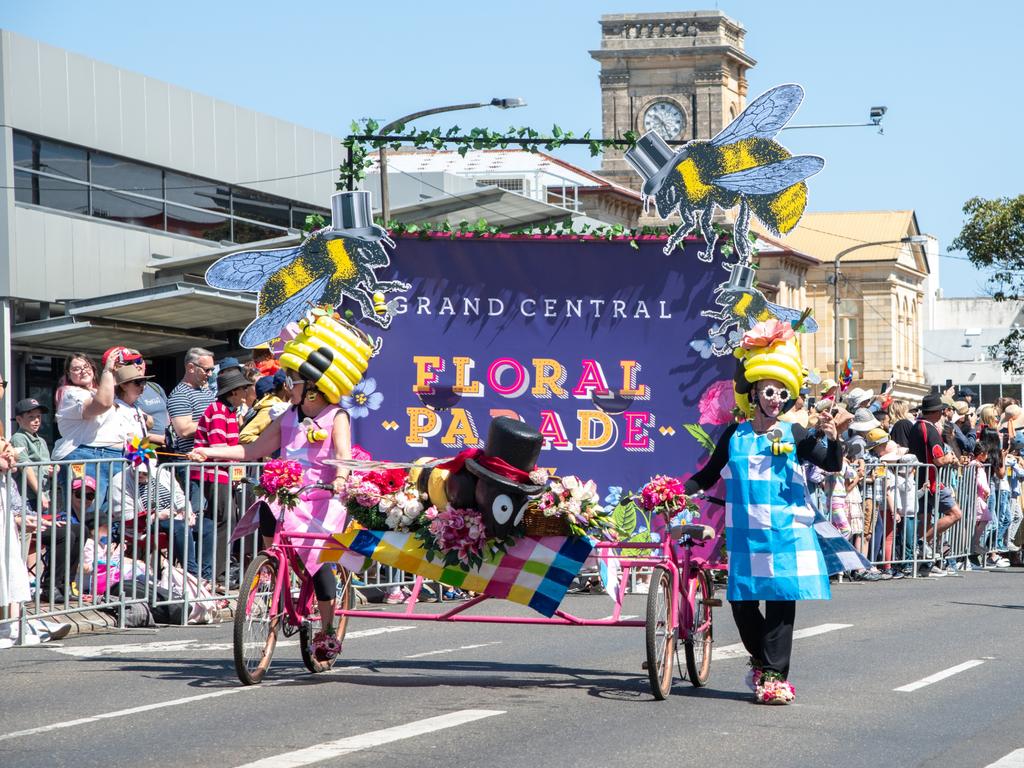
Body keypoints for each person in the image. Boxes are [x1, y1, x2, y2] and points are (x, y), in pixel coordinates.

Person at [683, 319, 851, 705]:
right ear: (754, 391)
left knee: (779, 601)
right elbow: (708, 474)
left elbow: (832, 464)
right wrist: (677, 492)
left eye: (781, 393)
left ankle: (773, 674)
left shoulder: (794, 434)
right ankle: (763, 662)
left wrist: (832, 435)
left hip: (787, 532)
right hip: (746, 535)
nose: (775, 399)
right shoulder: (735, 435)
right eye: (768, 392)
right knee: (741, 602)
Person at [190, 312, 362, 662]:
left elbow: (343, 454)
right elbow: (251, 450)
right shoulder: (287, 415)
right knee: (267, 513)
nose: (288, 384)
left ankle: (327, 631)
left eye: (293, 380)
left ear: (312, 385)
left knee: (319, 563)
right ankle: (273, 571)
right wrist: (208, 451)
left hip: (322, 499)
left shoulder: (336, 415)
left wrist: (340, 481)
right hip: (286, 495)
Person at [191, 366, 250, 585]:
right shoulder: (218, 411)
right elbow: (218, 449)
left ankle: (219, 570)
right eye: (243, 389)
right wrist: (236, 466)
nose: (246, 393)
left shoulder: (229, 412)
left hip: (221, 474)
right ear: (233, 392)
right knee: (223, 522)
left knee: (227, 521)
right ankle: (216, 573)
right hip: (213, 474)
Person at [52, 352, 122, 513]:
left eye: (86, 366)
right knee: (88, 516)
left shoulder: (98, 390)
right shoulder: (70, 393)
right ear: (69, 374)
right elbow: (103, 403)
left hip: (115, 457)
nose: (82, 371)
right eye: (76, 369)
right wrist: (108, 371)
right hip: (86, 456)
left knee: (112, 516)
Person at [906, 393, 964, 571]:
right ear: (935, 412)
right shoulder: (930, 429)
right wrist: (952, 458)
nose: (942, 413)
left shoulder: (917, 426)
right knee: (955, 514)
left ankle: (924, 564)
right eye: (940, 410)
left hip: (919, 480)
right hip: (930, 481)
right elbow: (939, 460)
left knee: (925, 519)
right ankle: (922, 542)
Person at [167, 347, 216, 509]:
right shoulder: (180, 395)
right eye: (206, 370)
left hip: (211, 463)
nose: (210, 374)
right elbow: (184, 430)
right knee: (199, 512)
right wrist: (215, 422)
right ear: (190, 367)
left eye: (212, 369)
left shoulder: (207, 391)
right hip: (193, 466)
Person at [10, 398, 53, 511]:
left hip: (43, 494)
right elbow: (25, 468)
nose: (36, 421)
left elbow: (45, 466)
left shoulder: (42, 441)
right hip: (28, 497)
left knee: (43, 527)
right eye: (31, 417)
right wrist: (40, 495)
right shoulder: (18, 438)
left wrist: (53, 470)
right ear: (19, 419)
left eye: (38, 416)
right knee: (31, 527)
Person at [239, 370, 292, 447]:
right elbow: (244, 436)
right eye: (293, 384)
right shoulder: (270, 408)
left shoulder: (283, 405)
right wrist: (271, 442)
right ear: (285, 386)